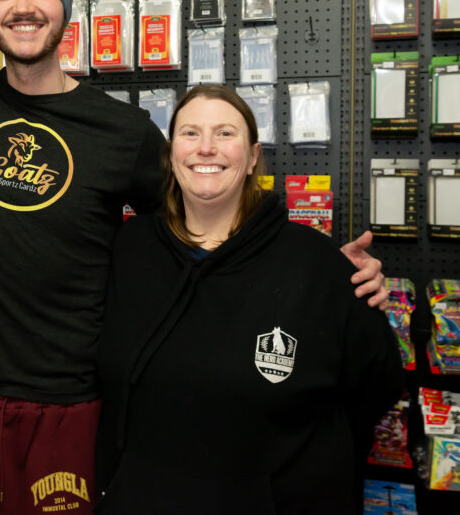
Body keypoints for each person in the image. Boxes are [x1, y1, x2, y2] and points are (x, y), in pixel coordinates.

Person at [0, 0, 388, 515]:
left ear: (65, 11)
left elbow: (206, 216)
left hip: (66, 401)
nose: (22, 5)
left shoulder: (122, 129)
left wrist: (319, 275)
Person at [95, 84, 403, 513]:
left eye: (225, 133)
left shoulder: (316, 263)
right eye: (190, 133)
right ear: (169, 154)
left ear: (254, 155)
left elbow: (377, 386)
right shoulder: (128, 249)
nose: (206, 148)